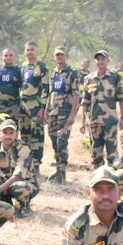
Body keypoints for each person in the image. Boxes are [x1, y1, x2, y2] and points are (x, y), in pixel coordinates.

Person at [80, 49, 123, 167]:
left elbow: (121, 99)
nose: (100, 61)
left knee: (112, 154)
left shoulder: (115, 78)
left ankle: (113, 180)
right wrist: (82, 121)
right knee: (96, 153)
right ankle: (98, 179)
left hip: (110, 121)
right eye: (98, 59)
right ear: (95, 61)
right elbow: (85, 101)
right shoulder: (89, 79)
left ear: (107, 61)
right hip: (94, 121)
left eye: (103, 59)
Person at [0, 120, 38, 217]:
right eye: (5, 132)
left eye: (11, 133)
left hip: (26, 184)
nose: (8, 136)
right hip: (6, 183)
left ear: (16, 134)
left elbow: (18, 176)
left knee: (18, 186)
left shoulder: (23, 148)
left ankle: (24, 207)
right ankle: (6, 204)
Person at [46, 47, 82, 183]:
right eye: (57, 55)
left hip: (65, 114)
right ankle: (57, 170)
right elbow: (50, 94)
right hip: (52, 113)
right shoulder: (53, 73)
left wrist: (73, 115)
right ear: (54, 57)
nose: (59, 57)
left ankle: (62, 173)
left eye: (62, 54)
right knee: (54, 141)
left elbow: (76, 95)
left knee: (62, 143)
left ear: (66, 56)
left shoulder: (72, 73)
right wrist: (46, 112)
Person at [19, 41, 49, 173]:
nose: (29, 52)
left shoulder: (41, 66)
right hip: (23, 106)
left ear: (36, 51)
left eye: (32, 49)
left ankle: (36, 165)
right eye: (27, 50)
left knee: (37, 136)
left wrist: (43, 107)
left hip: (36, 106)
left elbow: (46, 88)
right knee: (25, 135)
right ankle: (26, 164)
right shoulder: (24, 66)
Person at [0, 47, 22, 124]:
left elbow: (23, 89)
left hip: (13, 106)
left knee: (11, 130)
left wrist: (19, 106)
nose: (8, 57)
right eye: (6, 55)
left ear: (14, 56)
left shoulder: (19, 70)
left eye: (10, 55)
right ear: (2, 57)